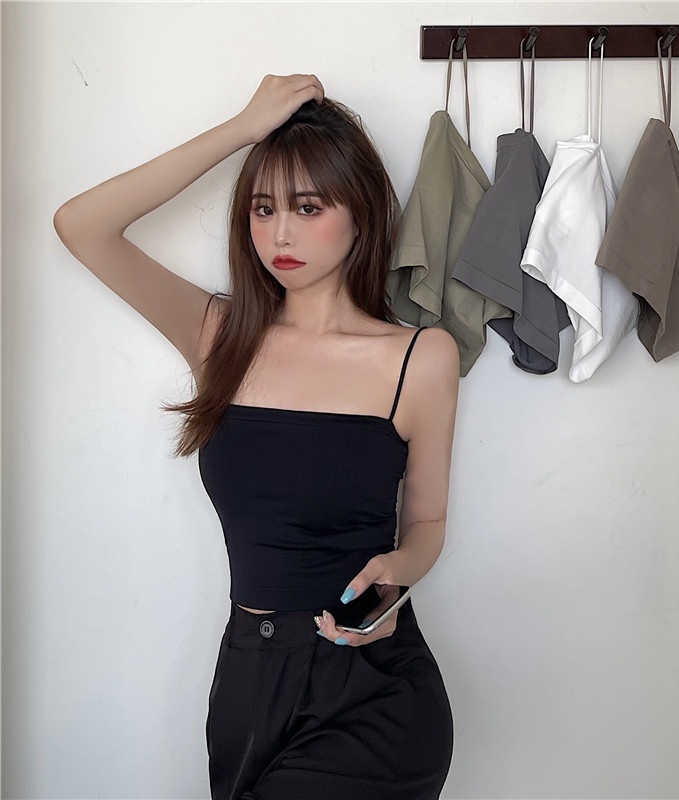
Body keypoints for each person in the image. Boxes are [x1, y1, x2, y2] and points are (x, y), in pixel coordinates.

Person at [53, 74, 459, 800]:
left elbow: (427, 521)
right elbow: (81, 225)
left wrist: (396, 575)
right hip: (246, 680)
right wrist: (243, 128)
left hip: (371, 687)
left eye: (308, 207)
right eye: (263, 208)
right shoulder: (220, 334)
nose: (280, 235)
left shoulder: (419, 358)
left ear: (362, 213)